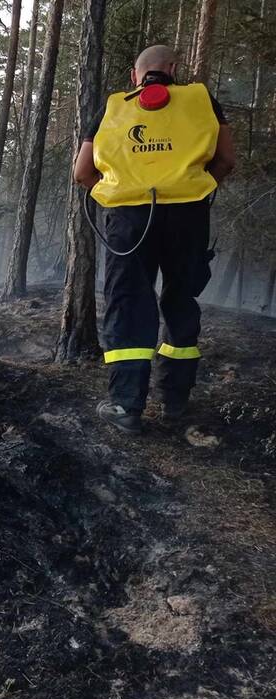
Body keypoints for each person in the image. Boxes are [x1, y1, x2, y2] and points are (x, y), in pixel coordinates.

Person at [72, 45, 236, 434]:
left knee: (128, 303)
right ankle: (175, 401)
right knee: (181, 300)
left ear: (136, 75)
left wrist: (114, 198)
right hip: (189, 218)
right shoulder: (202, 101)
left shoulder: (113, 108)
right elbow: (227, 159)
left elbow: (82, 172)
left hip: (128, 221)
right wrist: (197, 189)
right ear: (174, 70)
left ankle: (127, 407)